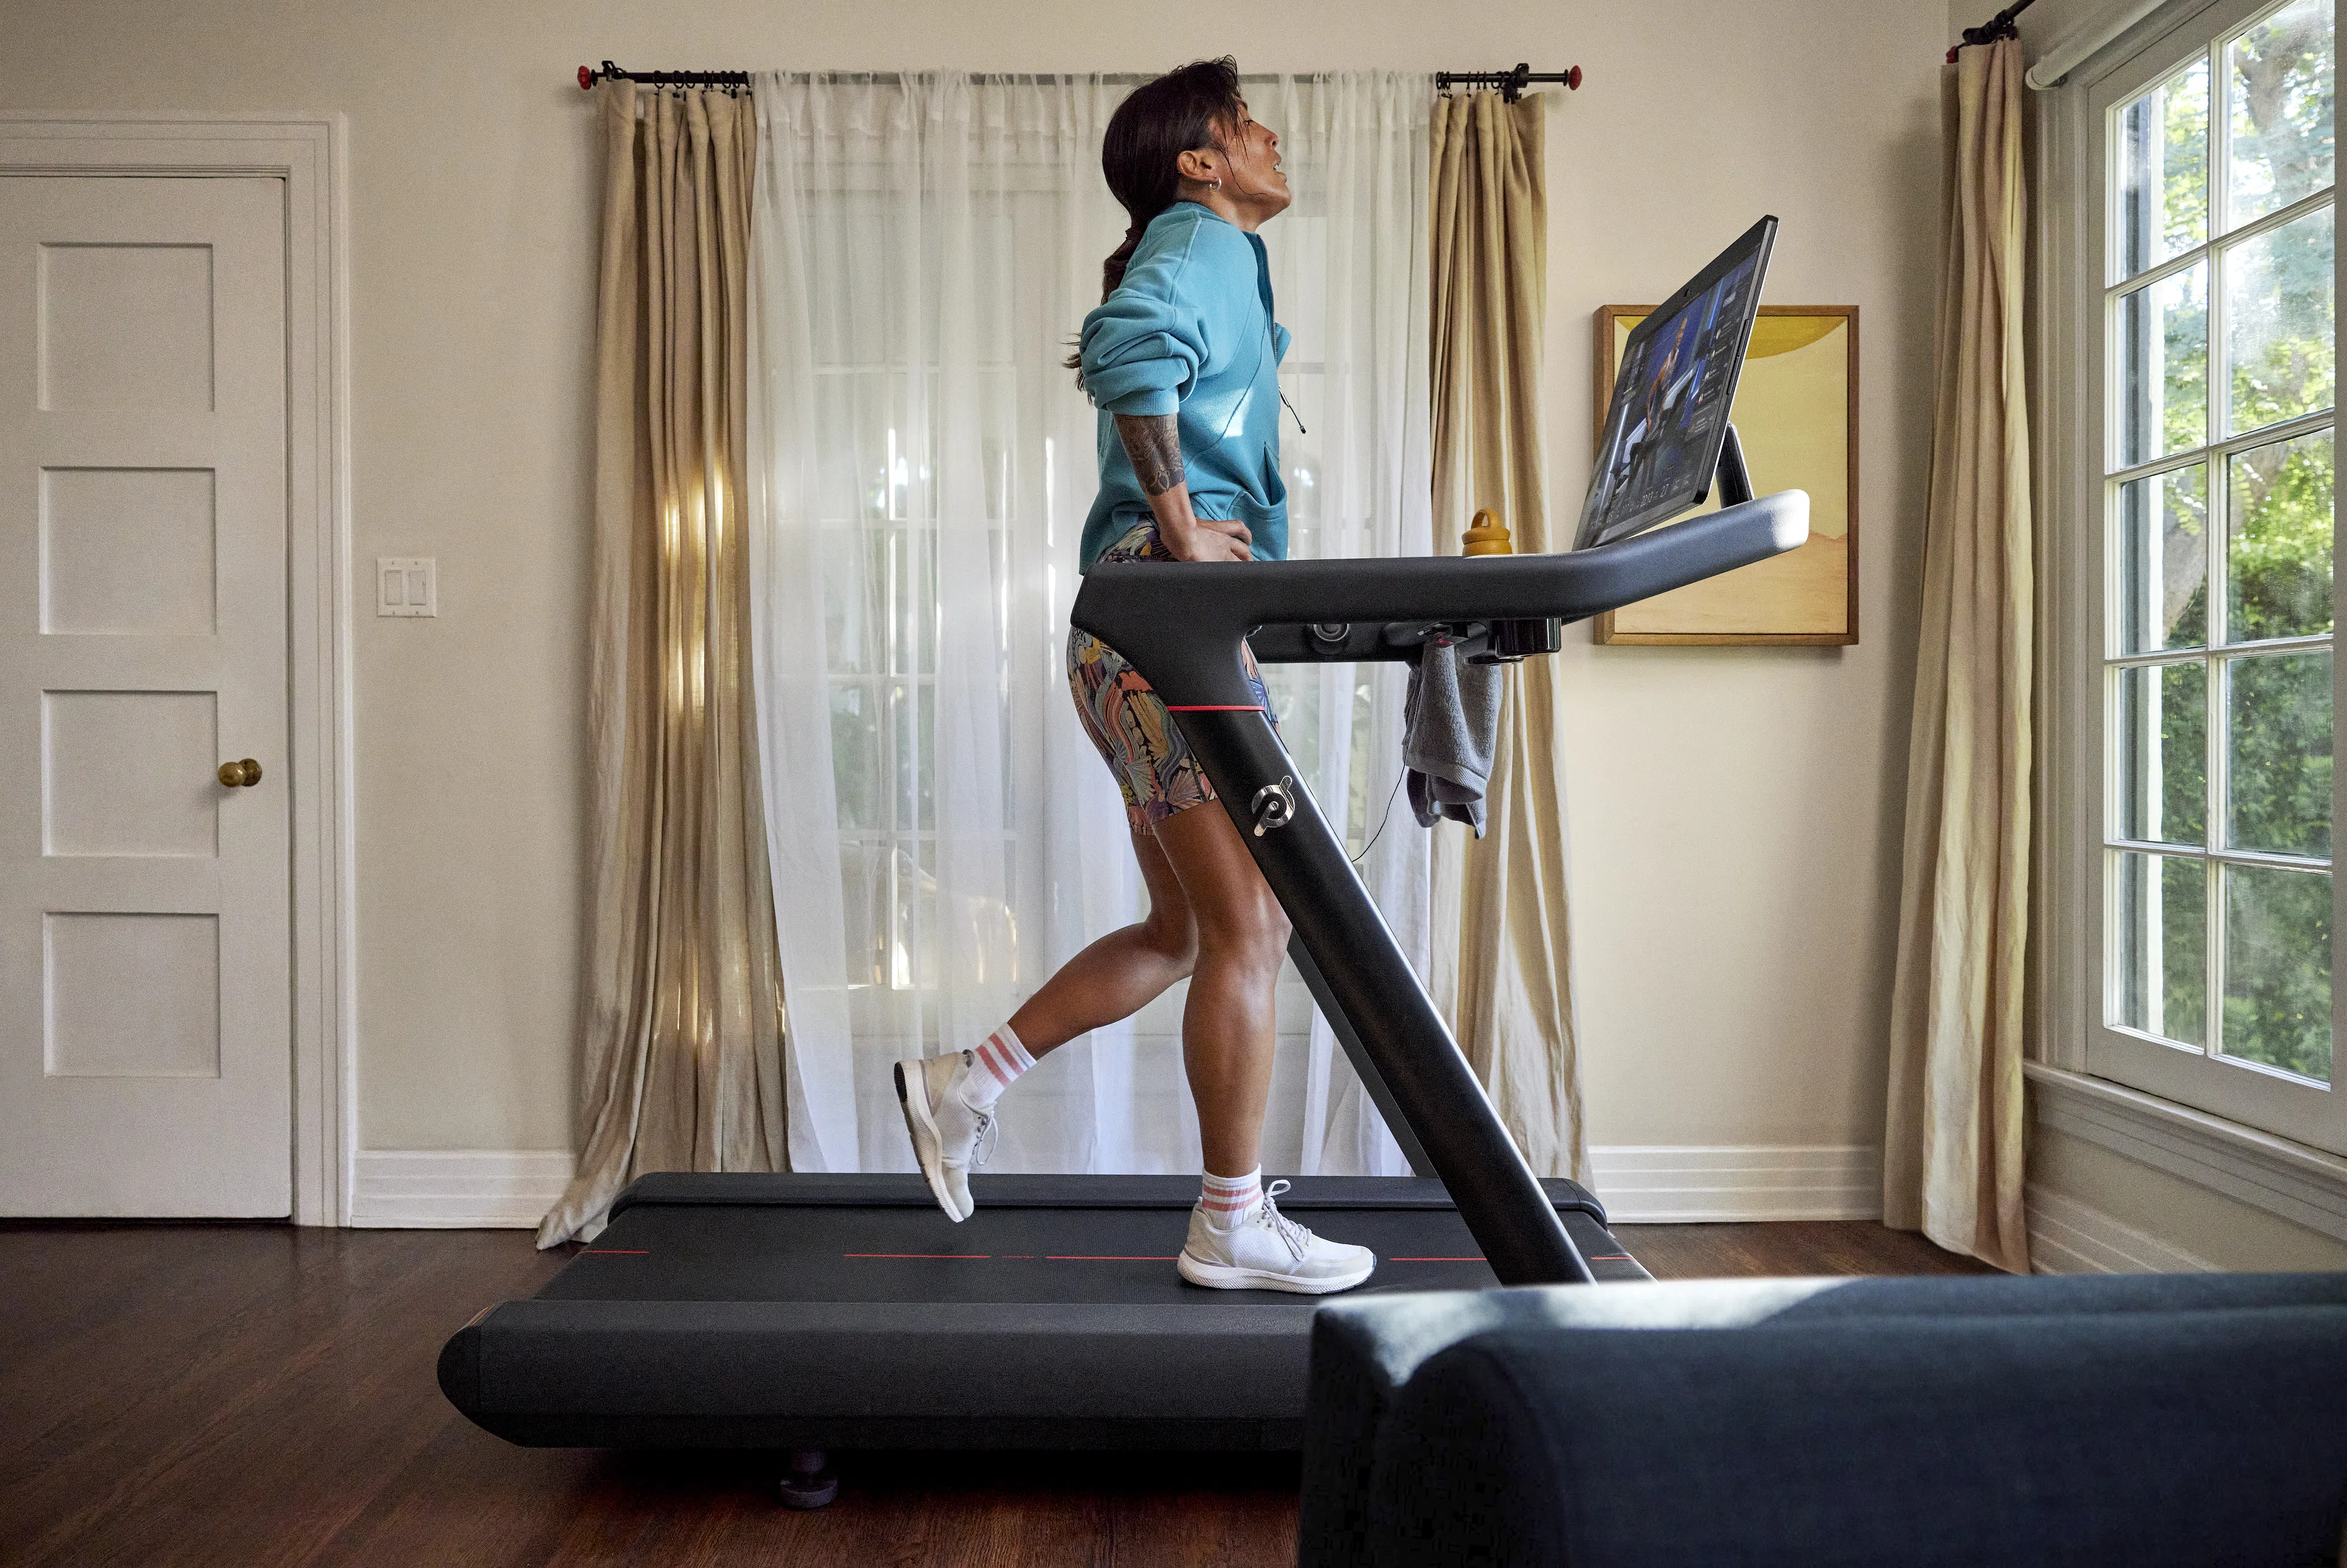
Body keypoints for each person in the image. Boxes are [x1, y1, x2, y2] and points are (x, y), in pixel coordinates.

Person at [892, 58, 1374, 1297]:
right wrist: (1176, 520)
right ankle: (1230, 1219)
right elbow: (1127, 351)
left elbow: (1150, 359)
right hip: (1168, 624)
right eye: (1245, 125)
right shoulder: (1198, 242)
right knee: (1254, 923)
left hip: (1130, 631)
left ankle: (969, 1080)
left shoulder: (1220, 262)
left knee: (1183, 929)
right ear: (1201, 161)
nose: (1273, 138)